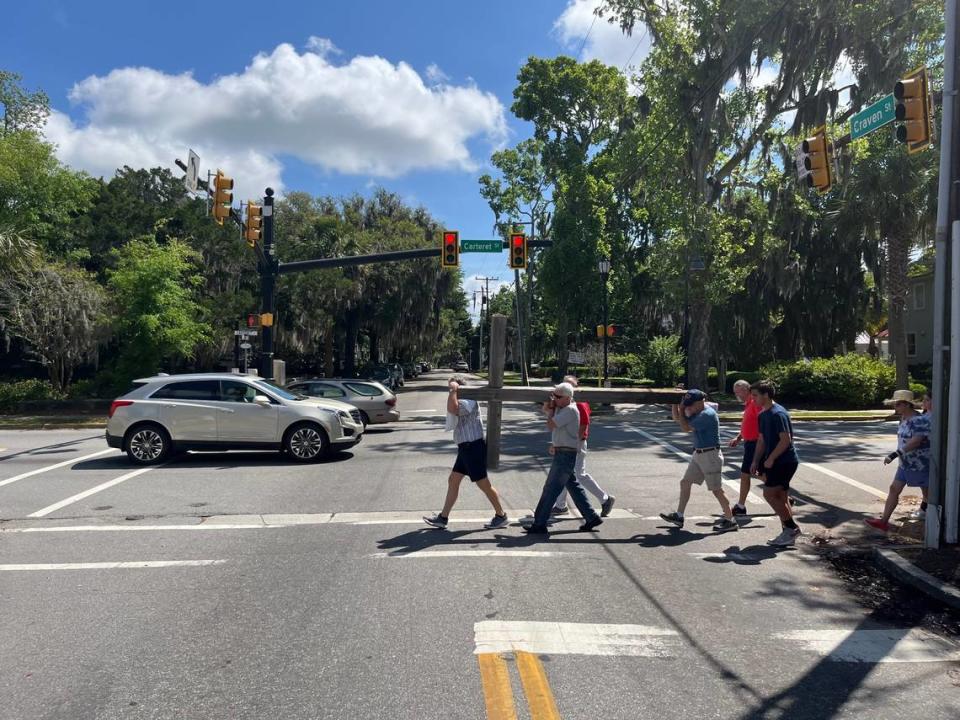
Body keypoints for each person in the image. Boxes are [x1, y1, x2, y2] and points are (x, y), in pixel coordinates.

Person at [423, 377, 508, 530]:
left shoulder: (469, 400)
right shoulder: (462, 397)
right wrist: (454, 391)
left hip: (473, 447)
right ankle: (443, 518)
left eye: (452, 386)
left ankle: (501, 515)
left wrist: (453, 390)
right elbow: (453, 407)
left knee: (484, 485)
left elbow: (453, 409)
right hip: (465, 448)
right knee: (453, 480)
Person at [523, 382, 603, 535]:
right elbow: (551, 419)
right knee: (573, 487)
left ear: (567, 397)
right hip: (564, 451)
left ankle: (539, 523)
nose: (555, 399)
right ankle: (591, 517)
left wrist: (551, 410)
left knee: (550, 489)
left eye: (558, 396)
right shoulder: (564, 408)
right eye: (554, 395)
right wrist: (551, 407)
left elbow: (551, 424)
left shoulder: (570, 410)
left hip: (565, 454)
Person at [659, 389, 738, 533]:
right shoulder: (698, 412)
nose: (689, 407)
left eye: (691, 404)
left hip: (710, 455)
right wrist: (674, 405)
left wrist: (681, 408)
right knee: (685, 482)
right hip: (700, 453)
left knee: (717, 489)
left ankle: (730, 520)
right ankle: (679, 516)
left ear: (701, 401)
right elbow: (679, 419)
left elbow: (685, 427)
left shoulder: (707, 415)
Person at [551, 375, 616, 518]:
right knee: (567, 474)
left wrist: (576, 443)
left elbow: (584, 424)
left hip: (576, 443)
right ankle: (560, 505)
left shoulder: (579, 403)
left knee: (579, 475)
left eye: (568, 385)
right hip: (570, 443)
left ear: (575, 387)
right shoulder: (567, 403)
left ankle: (605, 499)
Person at [865, 389, 930, 531]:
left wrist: (894, 454)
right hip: (905, 463)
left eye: (898, 404)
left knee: (928, 493)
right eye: (895, 404)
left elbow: (916, 441)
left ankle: (931, 519)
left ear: (907, 405)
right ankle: (884, 521)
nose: (895, 407)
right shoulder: (903, 419)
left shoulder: (918, 420)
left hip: (919, 464)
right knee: (894, 488)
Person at [749, 380, 801, 547]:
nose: (753, 399)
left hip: (784, 461)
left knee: (769, 494)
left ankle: (791, 528)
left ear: (766, 395)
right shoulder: (763, 414)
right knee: (781, 496)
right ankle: (788, 532)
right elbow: (762, 440)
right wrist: (756, 460)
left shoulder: (778, 414)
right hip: (773, 461)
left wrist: (771, 458)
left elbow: (785, 440)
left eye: (755, 396)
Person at [728, 379, 761, 517]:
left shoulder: (755, 404)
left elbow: (762, 424)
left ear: (747, 390)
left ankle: (741, 506)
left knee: (746, 474)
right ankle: (782, 496)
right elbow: (748, 425)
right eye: (735, 392)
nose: (737, 395)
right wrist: (738, 438)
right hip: (749, 443)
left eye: (738, 391)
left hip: (756, 444)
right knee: (757, 474)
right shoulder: (748, 404)